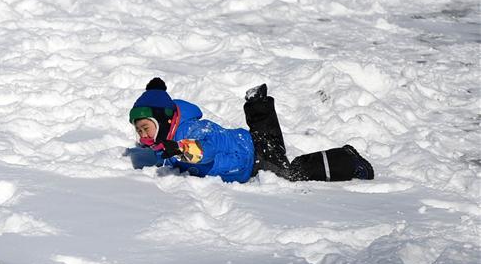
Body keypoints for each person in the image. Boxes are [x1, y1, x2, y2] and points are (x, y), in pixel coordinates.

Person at [129, 78, 374, 182]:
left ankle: (349, 161)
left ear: (164, 121)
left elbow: (207, 150)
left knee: (292, 172)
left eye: (146, 127)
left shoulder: (191, 130)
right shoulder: (171, 141)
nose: (143, 135)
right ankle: (257, 103)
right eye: (138, 131)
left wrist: (180, 149)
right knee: (269, 141)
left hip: (253, 157)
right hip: (250, 149)